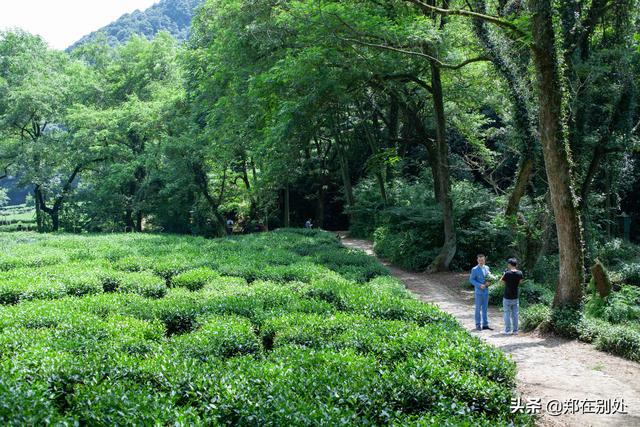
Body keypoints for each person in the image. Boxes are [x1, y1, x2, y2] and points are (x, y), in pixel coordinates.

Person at [469, 254, 494, 331]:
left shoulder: (487, 268)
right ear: (477, 260)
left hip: (486, 291)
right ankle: (478, 324)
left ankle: (485, 325)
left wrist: (489, 282)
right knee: (478, 308)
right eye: (479, 260)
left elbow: (489, 278)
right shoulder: (474, 269)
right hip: (479, 291)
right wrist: (479, 285)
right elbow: (471, 280)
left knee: (485, 308)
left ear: (484, 260)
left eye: (482, 260)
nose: (481, 262)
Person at [501, 258, 523, 335]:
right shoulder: (520, 273)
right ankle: (515, 331)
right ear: (516, 264)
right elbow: (520, 282)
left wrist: (504, 274)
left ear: (510, 264)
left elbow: (501, 282)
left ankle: (507, 330)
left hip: (507, 296)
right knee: (515, 314)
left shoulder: (507, 273)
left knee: (507, 313)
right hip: (515, 296)